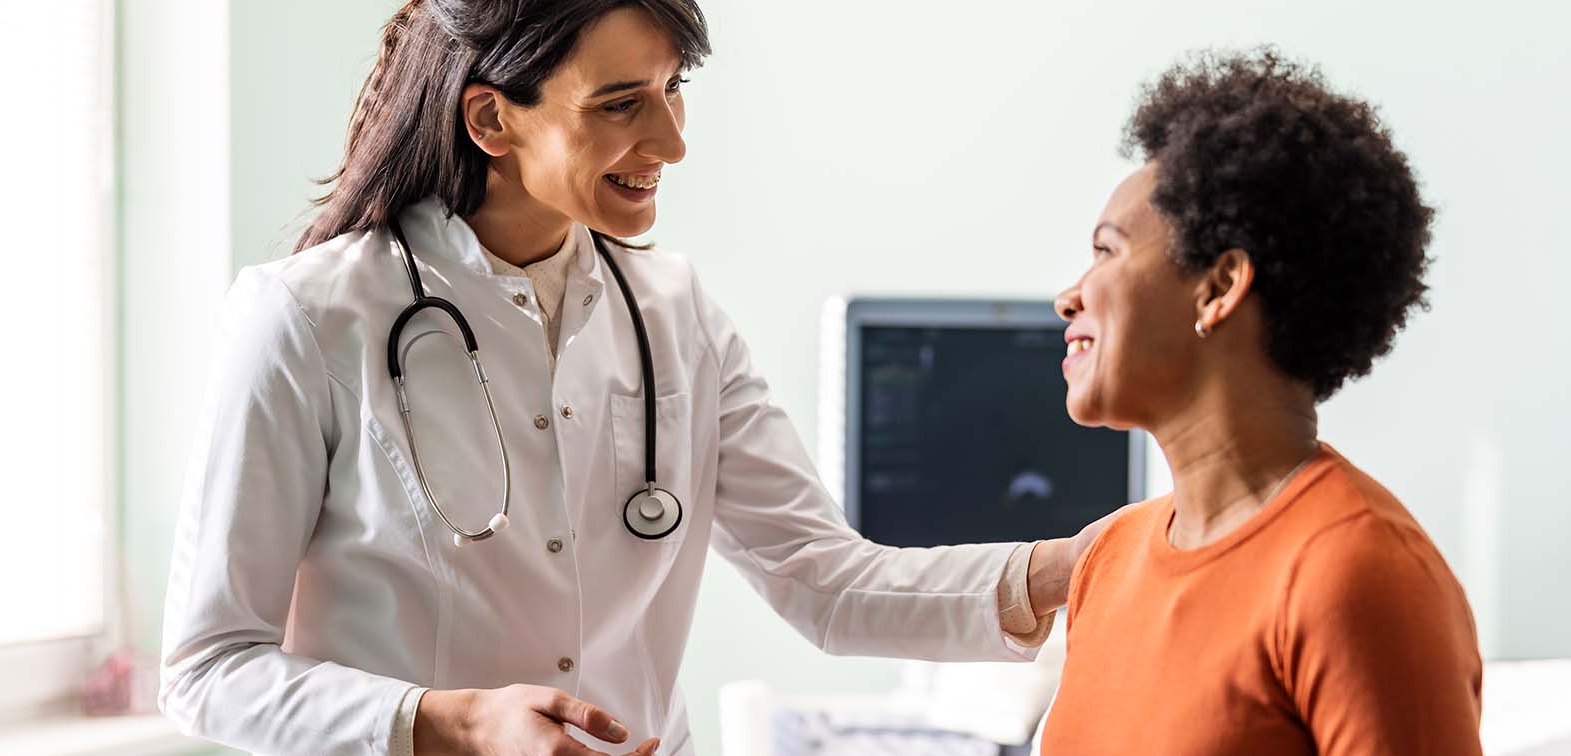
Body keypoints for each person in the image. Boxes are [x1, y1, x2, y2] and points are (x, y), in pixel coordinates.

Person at [156, 2, 1101, 755]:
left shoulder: (675, 312)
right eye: (620, 104)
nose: (672, 141)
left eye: (672, 89)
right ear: (491, 116)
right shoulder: (309, 317)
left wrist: (1088, 564)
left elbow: (827, 583)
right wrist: (449, 724)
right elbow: (209, 668)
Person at [1039, 48, 1483, 755]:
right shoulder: (1109, 562)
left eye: (1107, 251)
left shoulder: (1360, 573)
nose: (1069, 296)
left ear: (1218, 288)